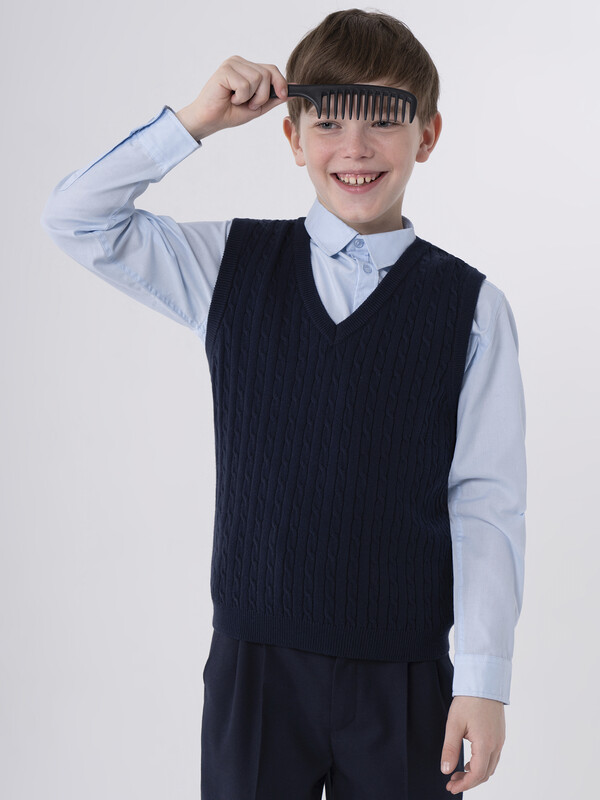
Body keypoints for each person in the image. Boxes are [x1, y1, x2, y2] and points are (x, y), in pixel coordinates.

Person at [40, 8, 526, 799]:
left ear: (428, 135)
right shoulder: (228, 264)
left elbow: (485, 501)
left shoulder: (472, 308)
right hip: (256, 670)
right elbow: (76, 218)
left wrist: (483, 680)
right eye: (328, 121)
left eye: (383, 120)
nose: (354, 147)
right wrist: (195, 121)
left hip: (403, 675)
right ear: (293, 138)